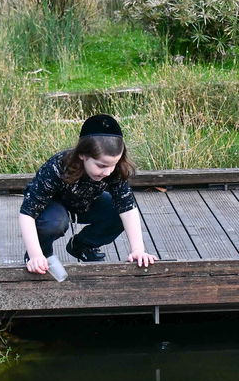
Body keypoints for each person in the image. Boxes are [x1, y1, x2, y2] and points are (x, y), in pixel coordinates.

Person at [20, 114, 158, 273]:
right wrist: (35, 254)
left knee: (118, 213)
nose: (107, 172)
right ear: (82, 155)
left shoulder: (113, 170)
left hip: (86, 202)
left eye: (113, 164)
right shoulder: (57, 167)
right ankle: (42, 254)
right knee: (55, 222)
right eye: (101, 165)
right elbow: (27, 213)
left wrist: (138, 250)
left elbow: (127, 208)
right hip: (52, 206)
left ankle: (82, 245)